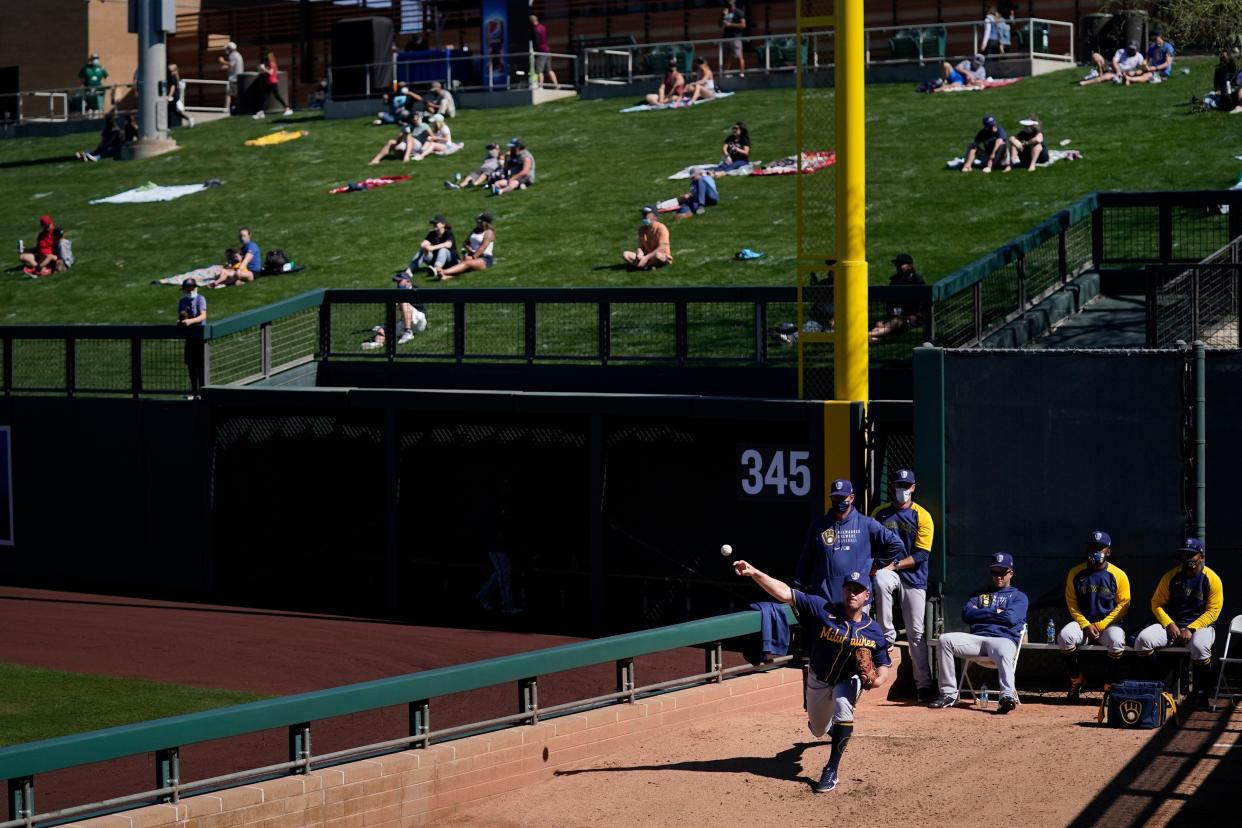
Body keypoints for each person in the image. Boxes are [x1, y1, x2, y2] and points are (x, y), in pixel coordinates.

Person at [733, 564, 890, 794]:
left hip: (848, 680)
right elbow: (785, 593)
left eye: (858, 589)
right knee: (818, 729)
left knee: (843, 708)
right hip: (818, 678)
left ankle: (831, 770)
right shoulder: (822, 608)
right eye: (848, 588)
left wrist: (877, 681)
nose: (852, 593)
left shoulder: (873, 630)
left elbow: (884, 663)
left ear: (867, 595)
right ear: (843, 591)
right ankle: (825, 727)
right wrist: (755, 573)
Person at [929, 552, 1029, 713]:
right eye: (995, 572)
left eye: (1002, 572)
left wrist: (982, 613)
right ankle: (949, 694)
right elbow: (967, 614)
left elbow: (1010, 618)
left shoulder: (1019, 597)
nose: (998, 576)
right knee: (944, 639)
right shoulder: (979, 594)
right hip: (977, 639)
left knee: (1004, 651)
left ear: (1011, 573)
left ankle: (1007, 697)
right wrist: (996, 612)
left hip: (1003, 640)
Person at [870, 468, 936, 702]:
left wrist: (894, 565)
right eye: (899, 485)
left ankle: (924, 685)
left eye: (906, 486)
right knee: (880, 580)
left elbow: (921, 555)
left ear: (913, 488)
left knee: (916, 633)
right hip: (888, 572)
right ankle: (886, 634)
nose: (902, 490)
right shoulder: (880, 513)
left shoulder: (922, 516)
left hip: (913, 576)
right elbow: (870, 543)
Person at [1133, 538, 1223, 701]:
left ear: (1201, 556)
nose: (1188, 558)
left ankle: (1202, 692)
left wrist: (1191, 628)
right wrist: (1169, 623)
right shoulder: (1171, 576)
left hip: (1201, 626)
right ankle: (1158, 687)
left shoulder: (1212, 578)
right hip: (1173, 625)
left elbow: (1213, 611)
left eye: (1192, 554)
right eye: (1185, 554)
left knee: (1200, 647)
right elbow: (1156, 603)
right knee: (1142, 640)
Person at [793, 479, 906, 607]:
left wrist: (877, 564)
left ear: (851, 498)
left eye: (843, 497)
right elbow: (806, 558)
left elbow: (896, 543)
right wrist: (798, 585)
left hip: (858, 600)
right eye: (836, 497)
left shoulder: (866, 523)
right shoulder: (819, 525)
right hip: (826, 599)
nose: (839, 501)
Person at [1058, 530, 1131, 701]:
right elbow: (1072, 604)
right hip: (1082, 624)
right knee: (1064, 636)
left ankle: (1109, 685)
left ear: (1109, 551)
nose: (1096, 552)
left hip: (1107, 625)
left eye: (1101, 548)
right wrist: (1085, 624)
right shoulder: (1075, 573)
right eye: (1093, 547)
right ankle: (1077, 679)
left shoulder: (1118, 575)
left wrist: (1100, 625)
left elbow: (1123, 606)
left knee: (1117, 640)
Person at [360, 273, 426, 349]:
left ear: (408, 281)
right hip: (404, 323)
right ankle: (377, 343)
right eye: (397, 282)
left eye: (400, 281)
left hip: (419, 320)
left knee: (403, 300)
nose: (398, 284)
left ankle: (408, 332)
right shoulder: (398, 293)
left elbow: (413, 308)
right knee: (382, 330)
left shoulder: (416, 289)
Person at [868, 254, 926, 339]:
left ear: (910, 266)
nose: (898, 267)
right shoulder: (895, 280)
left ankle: (867, 335)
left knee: (895, 322)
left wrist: (907, 315)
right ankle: (871, 337)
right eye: (897, 264)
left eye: (901, 264)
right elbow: (890, 303)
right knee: (879, 323)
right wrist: (891, 314)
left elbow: (919, 306)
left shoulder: (917, 281)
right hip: (895, 316)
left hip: (913, 318)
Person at [432, 213, 495, 280]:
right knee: (465, 264)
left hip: (484, 258)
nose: (476, 222)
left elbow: (483, 247)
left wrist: (473, 257)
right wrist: (469, 250)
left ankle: (443, 271)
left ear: (484, 222)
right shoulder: (475, 230)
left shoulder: (489, 232)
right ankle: (447, 276)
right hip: (472, 254)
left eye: (478, 221)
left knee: (466, 263)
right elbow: (465, 243)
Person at [178, 280, 208, 397]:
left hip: (200, 337)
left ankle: (202, 392)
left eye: (192, 288)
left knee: (201, 366)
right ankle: (194, 391)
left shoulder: (200, 299)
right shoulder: (182, 301)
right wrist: (181, 321)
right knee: (191, 365)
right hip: (189, 338)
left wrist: (190, 321)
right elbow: (181, 316)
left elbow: (203, 316)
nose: (190, 290)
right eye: (188, 288)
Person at [622, 206, 673, 271]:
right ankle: (646, 266)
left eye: (646, 214)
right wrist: (639, 254)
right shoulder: (641, 229)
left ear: (654, 217)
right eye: (643, 214)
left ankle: (642, 266)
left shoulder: (661, 228)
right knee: (625, 254)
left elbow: (662, 247)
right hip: (647, 256)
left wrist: (646, 257)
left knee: (658, 256)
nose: (643, 216)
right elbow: (640, 246)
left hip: (660, 255)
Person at [1080, 42, 1144, 86]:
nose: (1130, 50)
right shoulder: (1121, 51)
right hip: (1113, 68)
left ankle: (1086, 82)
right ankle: (1097, 71)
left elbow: (1141, 69)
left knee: (1105, 77)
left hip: (1122, 73)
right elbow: (1114, 60)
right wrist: (1118, 70)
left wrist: (1132, 73)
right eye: (1130, 48)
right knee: (1095, 55)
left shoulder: (1139, 56)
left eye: (1132, 49)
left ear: (1136, 49)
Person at [252, 51, 293, 118]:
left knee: (277, 96)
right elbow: (265, 72)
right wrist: (261, 69)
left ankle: (288, 108)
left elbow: (270, 72)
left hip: (273, 82)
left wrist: (264, 69)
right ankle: (261, 112)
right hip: (268, 82)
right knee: (264, 97)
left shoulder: (272, 64)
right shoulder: (268, 64)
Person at [530, 14, 559, 89]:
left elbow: (536, 42)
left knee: (539, 70)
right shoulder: (543, 27)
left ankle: (540, 86)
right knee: (549, 69)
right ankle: (556, 85)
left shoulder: (535, 30)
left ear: (532, 21)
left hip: (540, 52)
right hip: (547, 51)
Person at [721, 1, 747, 77]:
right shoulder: (726, 12)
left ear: (733, 4)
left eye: (730, 4)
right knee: (728, 56)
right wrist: (723, 15)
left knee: (739, 56)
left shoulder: (738, 12)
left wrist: (731, 24)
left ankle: (741, 73)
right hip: (726, 37)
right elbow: (719, 24)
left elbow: (743, 25)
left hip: (735, 37)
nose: (729, 6)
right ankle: (727, 73)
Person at [218, 41, 244, 114]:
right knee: (234, 95)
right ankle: (235, 107)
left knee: (228, 94)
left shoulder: (233, 55)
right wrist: (226, 67)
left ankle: (226, 109)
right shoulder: (237, 55)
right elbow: (234, 66)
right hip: (237, 77)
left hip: (234, 78)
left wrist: (222, 61)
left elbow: (231, 64)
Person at [167, 63, 194, 128]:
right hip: (175, 95)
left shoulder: (172, 76)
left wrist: (169, 96)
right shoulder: (175, 75)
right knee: (171, 111)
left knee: (171, 111)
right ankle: (188, 119)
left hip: (173, 96)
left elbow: (173, 87)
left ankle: (188, 119)